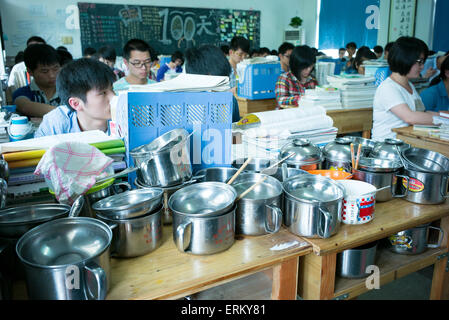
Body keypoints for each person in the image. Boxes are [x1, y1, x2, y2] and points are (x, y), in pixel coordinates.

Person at [372, 37, 439, 141]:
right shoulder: (388, 88)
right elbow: (410, 117)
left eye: (423, 62)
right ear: (405, 59)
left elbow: (422, 113)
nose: (422, 67)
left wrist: (442, 116)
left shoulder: (409, 86)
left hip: (407, 144)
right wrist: (442, 120)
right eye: (419, 62)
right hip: (386, 149)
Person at [34, 58, 116, 138]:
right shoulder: (55, 125)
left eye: (112, 89)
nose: (113, 97)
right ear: (76, 104)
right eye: (103, 93)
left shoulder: (124, 118)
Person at [184, 45, 240, 122]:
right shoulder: (181, 106)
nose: (221, 89)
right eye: (218, 83)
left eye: (224, 82)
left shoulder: (230, 100)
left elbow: (235, 128)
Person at [12, 44, 61, 117]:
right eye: (44, 71)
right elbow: (25, 107)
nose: (52, 75)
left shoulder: (69, 90)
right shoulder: (23, 93)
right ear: (30, 71)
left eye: (55, 69)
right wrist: (68, 114)